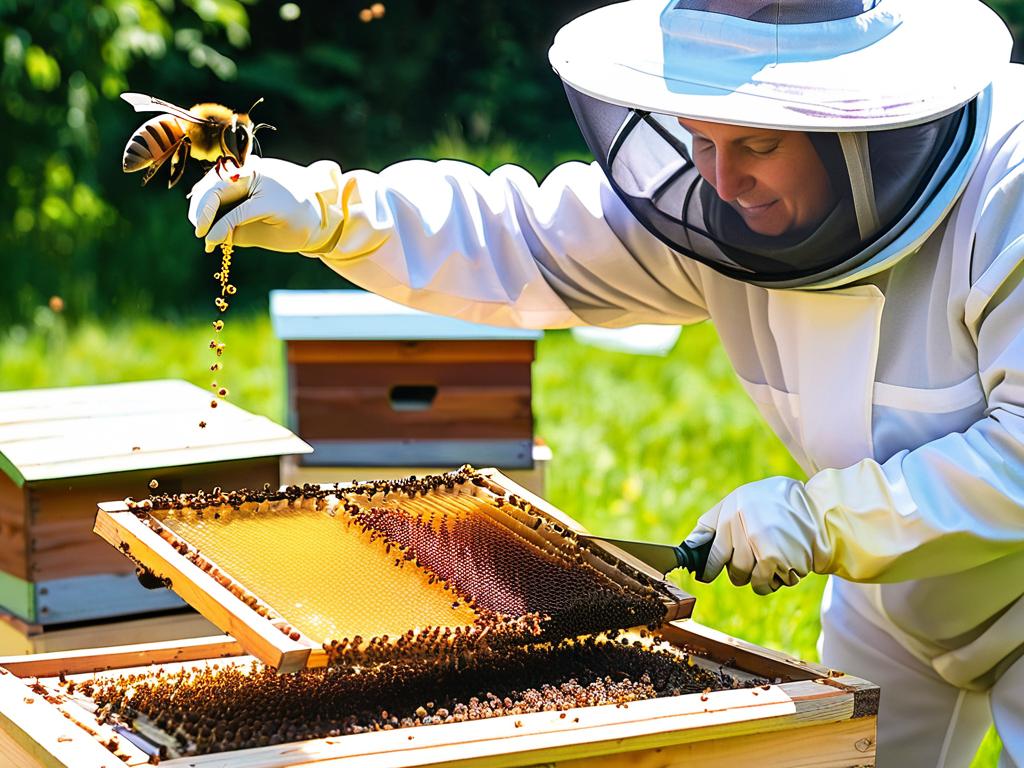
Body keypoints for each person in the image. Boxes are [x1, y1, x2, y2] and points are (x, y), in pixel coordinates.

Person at [186, 1, 1023, 765]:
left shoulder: (1009, 187)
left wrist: (821, 518)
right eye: (700, 139)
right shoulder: (724, 207)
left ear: (860, 131)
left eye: (758, 146)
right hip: (886, 600)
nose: (722, 183)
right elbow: (525, 237)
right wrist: (337, 214)